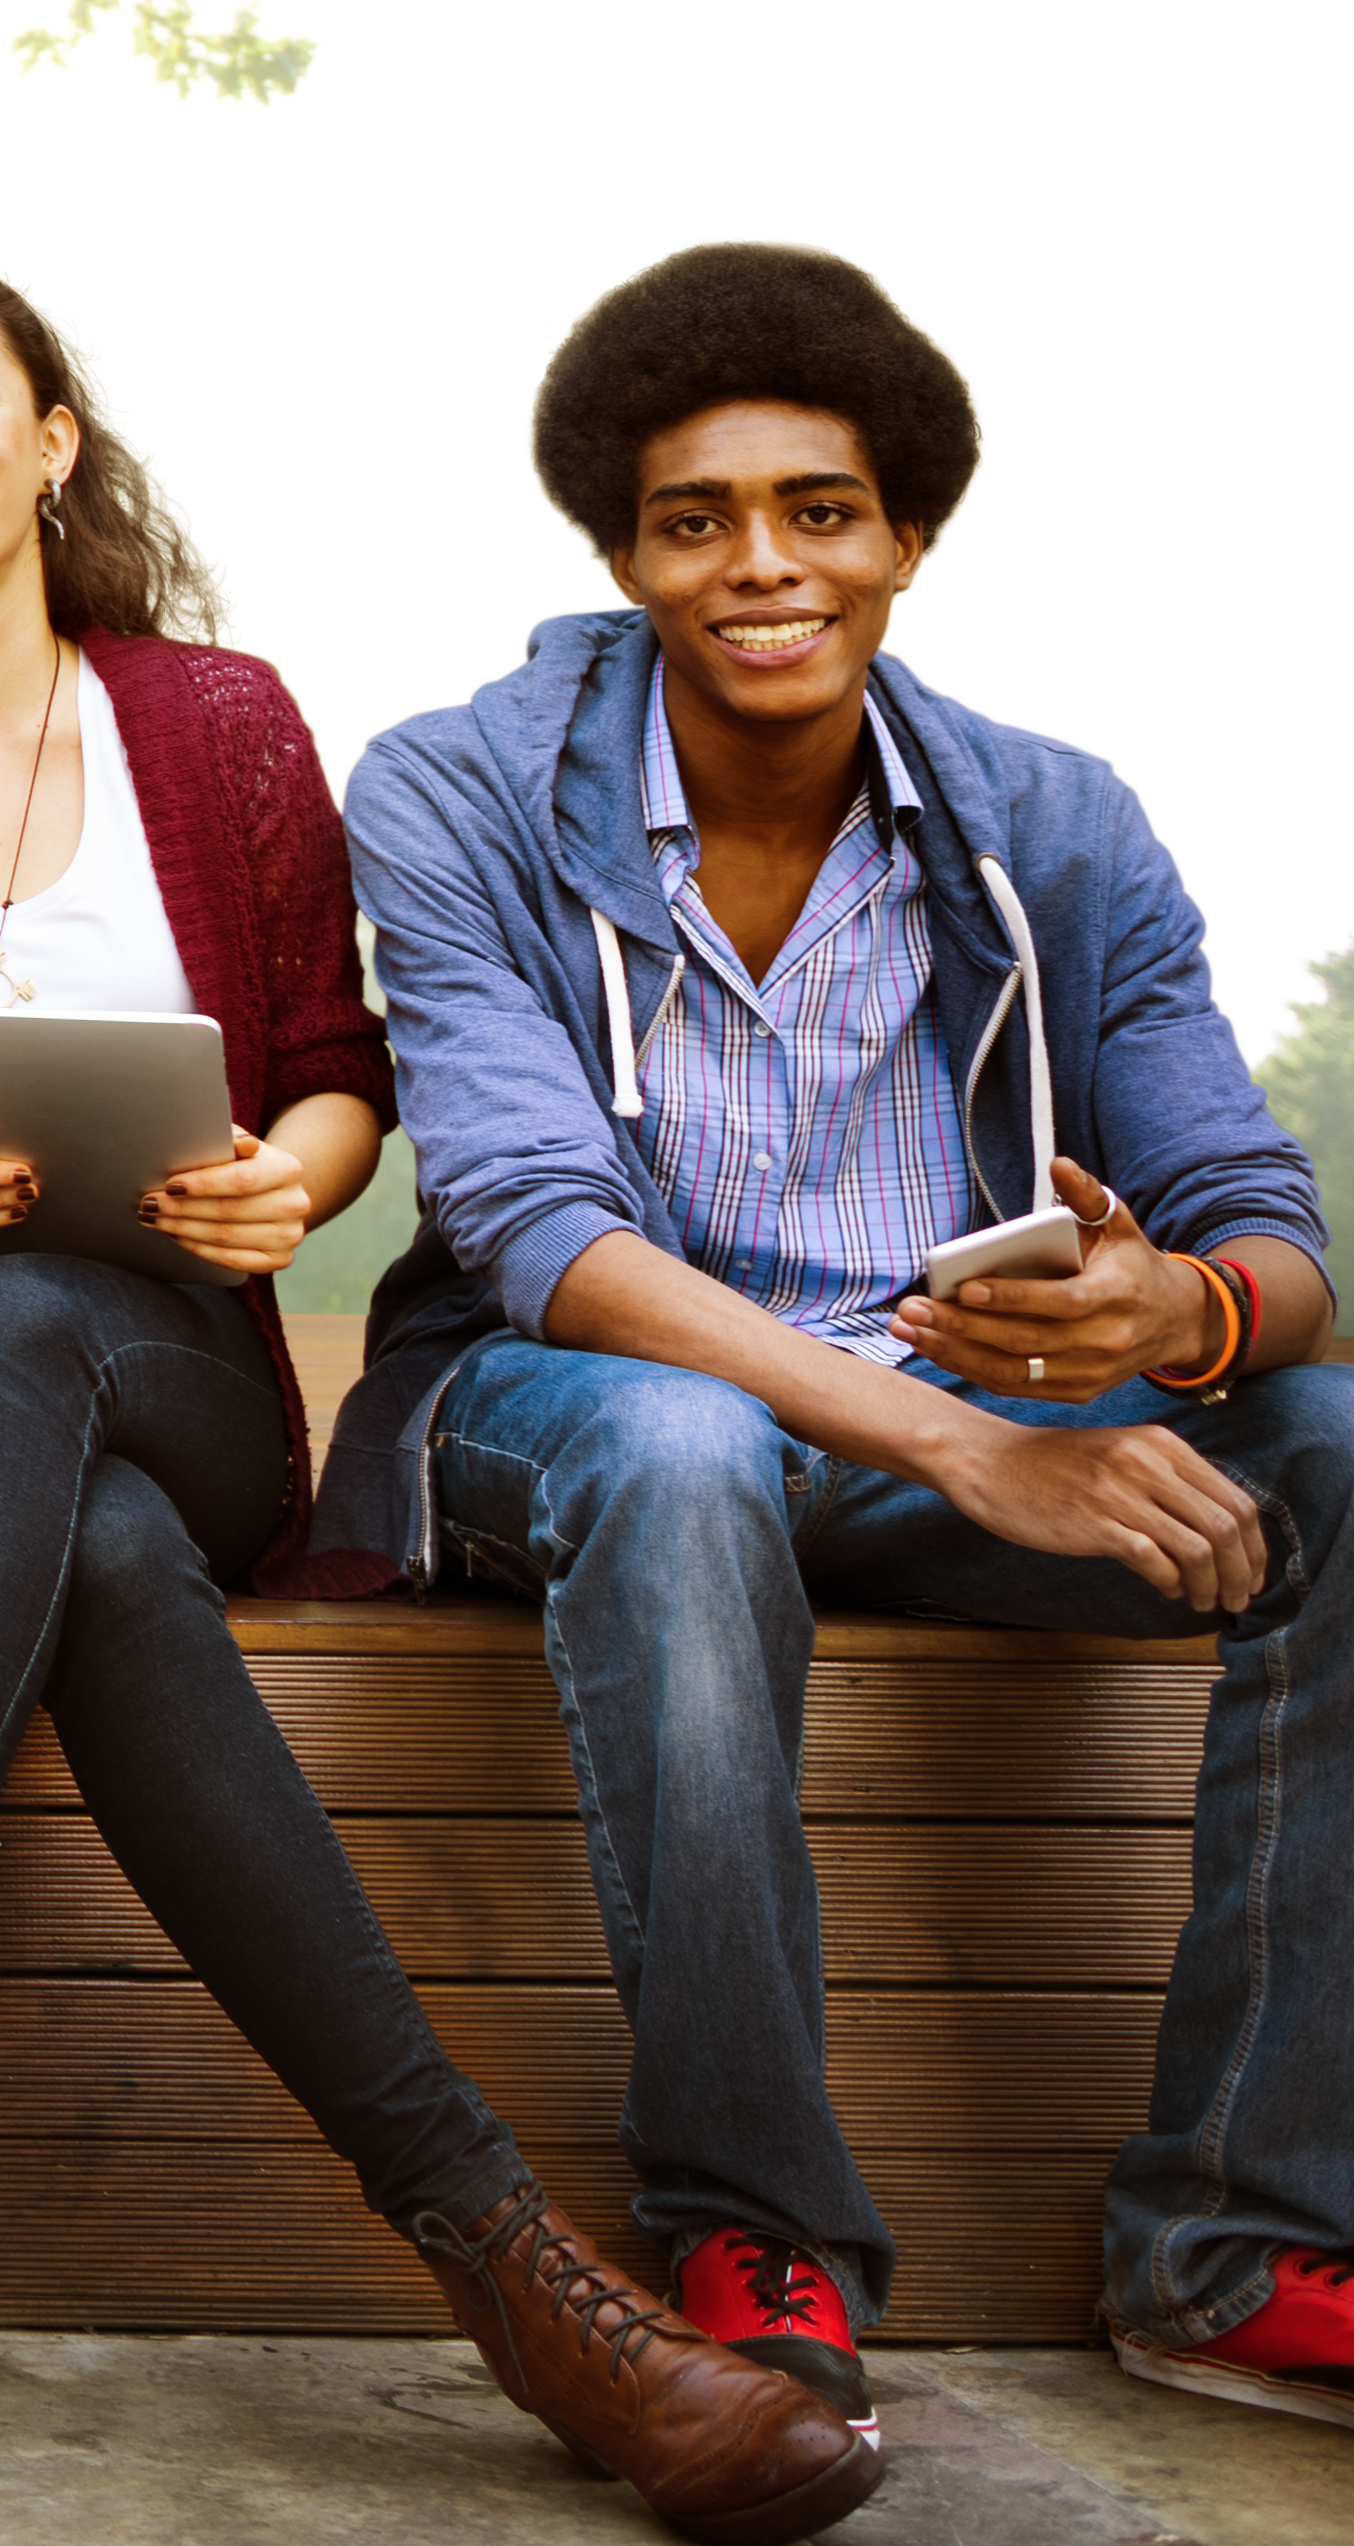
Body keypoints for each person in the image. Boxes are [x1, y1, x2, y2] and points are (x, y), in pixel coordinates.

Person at [0, 254, 878, 2542]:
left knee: (51, 1351)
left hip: (168, 1348)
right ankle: (521, 2279)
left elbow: (336, 1068)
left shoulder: (211, 722)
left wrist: (281, 1183)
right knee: (41, 1462)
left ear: (52, 437)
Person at [333, 244, 1350, 2440]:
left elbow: (1271, 1231)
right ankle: (750, 2222)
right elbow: (533, 1234)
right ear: (617, 547)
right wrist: (965, 1446)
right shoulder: (456, 788)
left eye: (819, 508)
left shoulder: (1050, 819)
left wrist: (1168, 1311)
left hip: (950, 1421)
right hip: (566, 1411)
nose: (760, 565)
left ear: (906, 536)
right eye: (693, 517)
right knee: (686, 1452)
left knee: (1337, 1449)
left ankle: (1238, 2239)